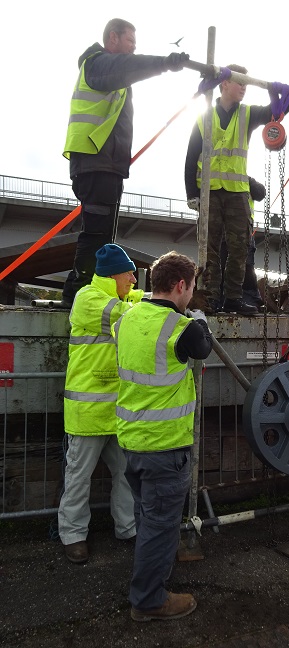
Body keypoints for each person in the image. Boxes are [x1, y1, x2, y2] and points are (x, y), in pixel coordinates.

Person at [60, 18, 189, 309]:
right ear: (113, 38)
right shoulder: (97, 65)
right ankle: (78, 294)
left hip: (106, 164)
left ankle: (89, 292)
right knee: (96, 233)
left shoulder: (109, 73)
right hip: (95, 161)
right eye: (130, 41)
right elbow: (128, 68)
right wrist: (165, 63)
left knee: (103, 235)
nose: (133, 48)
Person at [113, 251, 213, 622]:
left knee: (147, 515)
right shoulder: (181, 327)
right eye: (191, 290)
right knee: (159, 524)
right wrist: (198, 320)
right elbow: (202, 346)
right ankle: (149, 600)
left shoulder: (126, 319)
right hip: (165, 447)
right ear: (181, 285)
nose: (191, 297)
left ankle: (150, 575)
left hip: (132, 440)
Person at [184, 64, 289, 315]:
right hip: (209, 190)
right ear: (224, 85)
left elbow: (275, 112)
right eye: (239, 82)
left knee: (239, 248)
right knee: (209, 249)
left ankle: (233, 298)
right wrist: (191, 193)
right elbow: (190, 158)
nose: (244, 87)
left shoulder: (247, 114)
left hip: (237, 191)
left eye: (246, 83)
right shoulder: (204, 117)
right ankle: (209, 298)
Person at [58, 243, 144, 563]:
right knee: (78, 477)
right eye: (129, 274)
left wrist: (164, 298)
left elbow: (139, 301)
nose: (134, 279)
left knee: (125, 473)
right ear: (113, 275)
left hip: (114, 412)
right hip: (88, 413)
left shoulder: (119, 297)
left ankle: (127, 527)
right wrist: (167, 305)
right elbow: (129, 316)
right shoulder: (89, 299)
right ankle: (73, 535)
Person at [219, 176, 266, 310]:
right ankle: (231, 300)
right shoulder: (222, 180)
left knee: (244, 268)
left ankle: (247, 299)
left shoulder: (242, 179)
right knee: (231, 267)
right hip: (229, 232)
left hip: (240, 232)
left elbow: (260, 193)